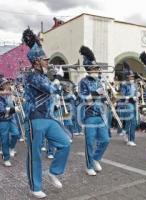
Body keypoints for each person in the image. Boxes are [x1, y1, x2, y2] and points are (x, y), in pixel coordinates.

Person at [22, 28, 71, 199]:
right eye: (45, 59)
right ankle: (35, 187)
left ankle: (53, 172)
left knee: (65, 143)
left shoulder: (43, 75)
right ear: (36, 61)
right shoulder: (31, 76)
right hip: (35, 119)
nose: (48, 62)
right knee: (35, 153)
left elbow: (58, 91)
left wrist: (60, 83)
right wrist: (57, 79)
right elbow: (50, 89)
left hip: (48, 117)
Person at [79, 45, 110, 176]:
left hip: (101, 114)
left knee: (105, 140)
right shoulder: (83, 82)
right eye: (95, 68)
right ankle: (89, 165)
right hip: (90, 115)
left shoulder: (99, 81)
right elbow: (83, 98)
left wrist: (106, 98)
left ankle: (96, 158)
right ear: (89, 69)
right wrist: (96, 93)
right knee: (90, 141)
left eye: (97, 68)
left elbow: (101, 96)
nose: (97, 70)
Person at [0, 77, 21, 167]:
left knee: (16, 134)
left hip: (11, 119)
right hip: (2, 120)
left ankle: (10, 148)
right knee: (4, 140)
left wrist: (18, 102)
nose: (8, 85)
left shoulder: (10, 95)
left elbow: (14, 103)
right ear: (1, 86)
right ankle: (6, 158)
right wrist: (14, 109)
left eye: (8, 83)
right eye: (6, 83)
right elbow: (2, 110)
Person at [119, 65, 138, 146]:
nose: (132, 78)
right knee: (131, 121)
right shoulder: (124, 85)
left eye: (133, 77)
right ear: (127, 77)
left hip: (134, 103)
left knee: (134, 122)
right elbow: (121, 96)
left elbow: (136, 94)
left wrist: (138, 95)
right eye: (130, 77)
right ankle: (130, 139)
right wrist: (130, 97)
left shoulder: (135, 85)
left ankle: (125, 132)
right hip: (127, 104)